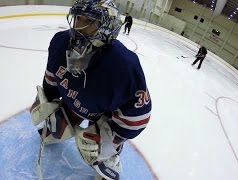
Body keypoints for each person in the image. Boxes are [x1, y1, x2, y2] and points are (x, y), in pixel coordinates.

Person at [30, 0, 152, 179]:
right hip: (75, 102)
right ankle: (62, 126)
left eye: (89, 21)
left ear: (107, 27)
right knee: (54, 126)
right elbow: (52, 79)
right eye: (78, 18)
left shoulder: (124, 66)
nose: (78, 26)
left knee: (92, 146)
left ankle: (108, 160)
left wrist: (113, 138)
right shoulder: (60, 42)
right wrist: (47, 100)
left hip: (103, 115)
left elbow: (137, 117)